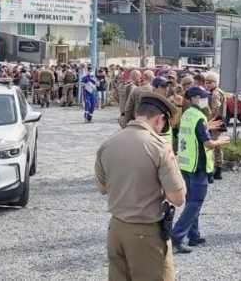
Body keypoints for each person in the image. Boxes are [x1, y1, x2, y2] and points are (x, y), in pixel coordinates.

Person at [95, 92, 186, 281]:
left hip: (116, 229)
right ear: (161, 120)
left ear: (138, 114)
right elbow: (178, 198)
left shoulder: (108, 144)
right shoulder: (159, 147)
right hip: (146, 231)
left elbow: (102, 188)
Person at [171, 86, 229, 254]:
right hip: (198, 166)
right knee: (195, 203)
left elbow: (194, 133)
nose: (206, 100)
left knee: (191, 202)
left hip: (186, 165)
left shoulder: (188, 114)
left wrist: (206, 126)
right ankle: (177, 237)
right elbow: (208, 143)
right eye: (203, 97)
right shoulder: (199, 117)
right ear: (195, 98)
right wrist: (221, 141)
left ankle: (194, 235)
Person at [204, 72, 227, 180]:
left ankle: (213, 170)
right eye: (206, 83)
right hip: (219, 121)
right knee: (217, 146)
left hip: (214, 122)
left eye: (209, 83)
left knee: (212, 146)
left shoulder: (215, 94)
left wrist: (208, 120)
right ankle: (218, 169)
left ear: (215, 83)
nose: (207, 85)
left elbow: (215, 109)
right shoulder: (219, 92)